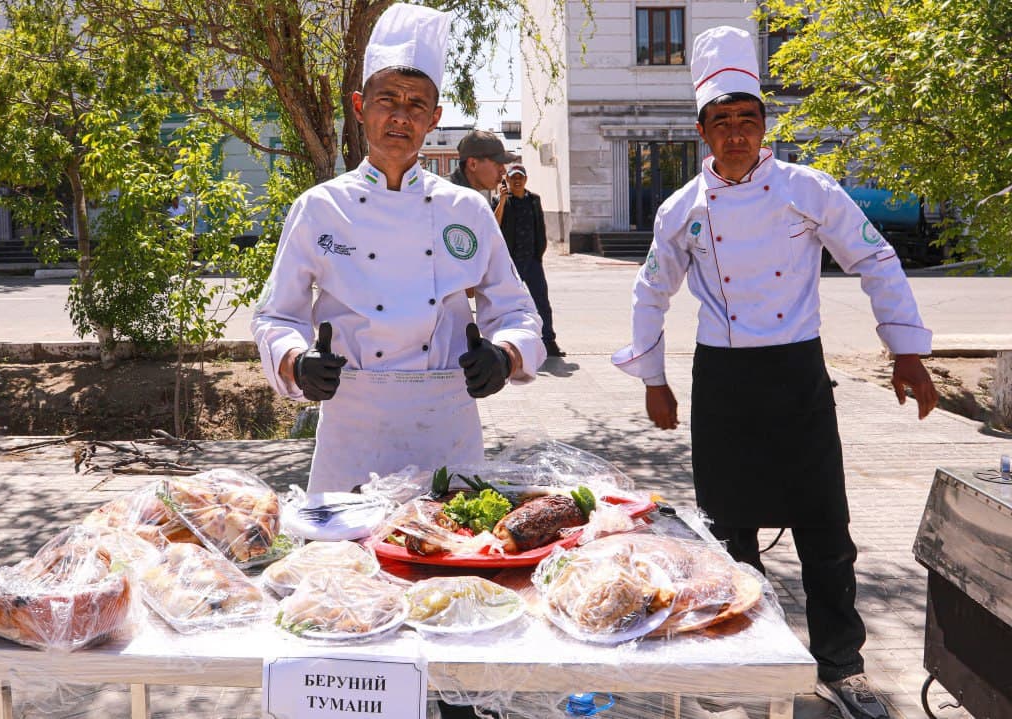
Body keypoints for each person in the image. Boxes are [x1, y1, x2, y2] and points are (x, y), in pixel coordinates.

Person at [611, 27, 937, 719]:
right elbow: (650, 291)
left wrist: (905, 351)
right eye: (722, 123)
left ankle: (842, 667)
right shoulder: (683, 210)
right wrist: (652, 376)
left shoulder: (806, 189)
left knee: (824, 526)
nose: (736, 135)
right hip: (722, 383)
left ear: (765, 126)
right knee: (728, 532)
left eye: (747, 121)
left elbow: (875, 259)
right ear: (702, 131)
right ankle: (742, 658)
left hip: (796, 375)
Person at [251, 3, 544, 498]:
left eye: (416, 104)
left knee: (452, 561)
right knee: (346, 565)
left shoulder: (466, 209)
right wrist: (297, 362)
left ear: (435, 118)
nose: (401, 116)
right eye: (388, 99)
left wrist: (505, 356)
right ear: (360, 106)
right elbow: (275, 317)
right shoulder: (320, 208)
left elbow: (517, 310)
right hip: (353, 425)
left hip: (447, 422)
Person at [496, 165, 564, 358]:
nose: (517, 180)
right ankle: (506, 344)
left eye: (520, 177)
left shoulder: (534, 200)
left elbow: (540, 226)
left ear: (525, 180)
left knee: (542, 302)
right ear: (507, 180)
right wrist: (501, 201)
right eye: (513, 177)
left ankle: (548, 341)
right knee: (508, 304)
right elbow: (494, 224)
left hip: (532, 261)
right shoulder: (501, 200)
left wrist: (539, 253)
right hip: (510, 263)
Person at [448, 129, 517, 193]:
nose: (504, 171)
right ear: (473, 164)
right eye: (498, 163)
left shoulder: (462, 195)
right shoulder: (447, 198)